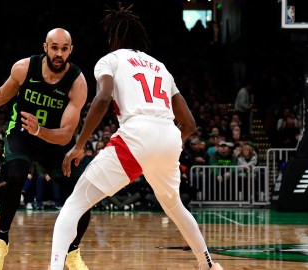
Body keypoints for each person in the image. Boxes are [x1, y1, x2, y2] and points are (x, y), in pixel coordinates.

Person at [49, 4, 223, 270]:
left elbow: (103, 98)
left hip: (136, 135)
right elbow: (189, 123)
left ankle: (55, 267)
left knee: (74, 204)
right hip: (168, 137)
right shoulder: (161, 67)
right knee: (175, 206)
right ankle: (208, 265)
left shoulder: (110, 60)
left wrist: (80, 144)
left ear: (115, 37)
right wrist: (167, 144)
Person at [0, 28, 90, 270]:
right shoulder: (24, 68)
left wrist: (40, 130)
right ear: (45, 47)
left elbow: (66, 134)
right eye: (54, 47)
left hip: (54, 141)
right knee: (16, 175)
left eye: (64, 48)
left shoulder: (77, 82)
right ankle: (1, 240)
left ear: (71, 50)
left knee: (82, 197)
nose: (58, 53)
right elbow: (2, 95)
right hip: (22, 133)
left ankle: (72, 251)